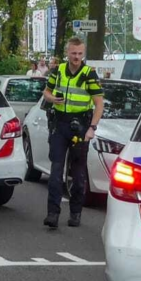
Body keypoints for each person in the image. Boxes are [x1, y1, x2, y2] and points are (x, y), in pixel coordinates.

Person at [41, 36, 104, 229]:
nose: (76, 57)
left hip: (81, 125)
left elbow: (99, 103)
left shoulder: (89, 74)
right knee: (56, 171)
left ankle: (75, 213)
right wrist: (52, 99)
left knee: (77, 174)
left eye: (80, 54)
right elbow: (46, 92)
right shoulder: (58, 70)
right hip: (60, 124)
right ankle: (52, 213)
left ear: (83, 53)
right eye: (73, 53)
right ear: (67, 53)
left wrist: (92, 128)